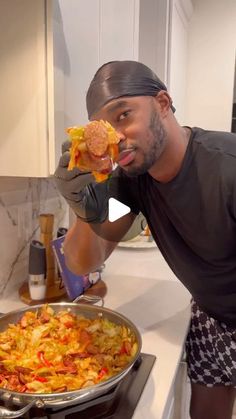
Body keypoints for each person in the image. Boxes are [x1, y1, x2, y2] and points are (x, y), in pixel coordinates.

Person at [54, 60, 236, 419]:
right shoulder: (130, 186)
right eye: (105, 126)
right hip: (209, 314)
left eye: (124, 115)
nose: (116, 136)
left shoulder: (226, 167)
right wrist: (82, 205)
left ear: (163, 104)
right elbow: (85, 261)